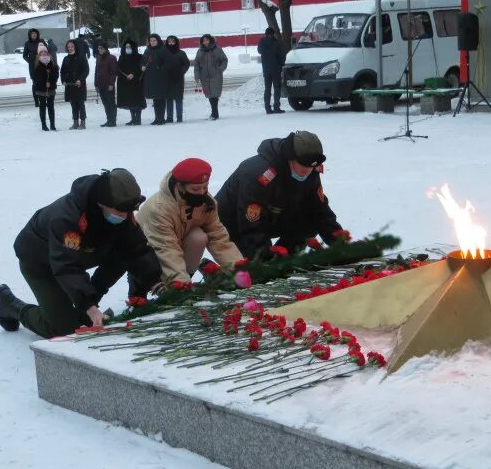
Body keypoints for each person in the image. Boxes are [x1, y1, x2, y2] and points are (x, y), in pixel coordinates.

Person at [0, 169, 163, 338]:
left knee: (122, 253)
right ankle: (10, 304)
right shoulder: (67, 218)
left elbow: (137, 249)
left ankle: (85, 309)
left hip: (79, 255)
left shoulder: (120, 210)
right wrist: (88, 305)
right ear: (101, 203)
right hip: (41, 262)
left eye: (128, 211)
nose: (125, 216)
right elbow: (66, 265)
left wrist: (157, 282)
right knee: (63, 329)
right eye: (120, 211)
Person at [215, 131, 346, 260]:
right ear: (290, 157)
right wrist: (265, 259)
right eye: (302, 168)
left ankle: (284, 260)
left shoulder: (309, 170)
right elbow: (251, 224)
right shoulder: (259, 174)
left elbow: (319, 208)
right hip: (233, 224)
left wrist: (339, 241)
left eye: (311, 168)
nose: (307, 172)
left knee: (310, 219)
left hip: (273, 214)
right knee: (252, 265)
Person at [137, 158, 245, 285]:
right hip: (146, 249)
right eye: (195, 189)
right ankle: (165, 284)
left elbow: (218, 237)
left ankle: (185, 279)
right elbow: (166, 249)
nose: (202, 193)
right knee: (144, 282)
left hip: (176, 241)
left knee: (198, 237)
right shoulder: (159, 209)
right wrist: (180, 284)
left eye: (205, 187)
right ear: (180, 186)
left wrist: (238, 269)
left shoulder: (206, 203)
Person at [194, 33, 228, 120]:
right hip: (204, 77)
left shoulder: (217, 49)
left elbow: (224, 60)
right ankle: (214, 113)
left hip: (216, 76)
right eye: (203, 40)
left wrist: (220, 69)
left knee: (214, 94)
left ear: (210, 40)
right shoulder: (200, 51)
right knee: (209, 94)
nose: (205, 42)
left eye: (207, 40)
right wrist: (197, 76)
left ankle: (214, 114)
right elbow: (196, 64)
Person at [116, 38, 147, 126]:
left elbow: (140, 68)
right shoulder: (122, 57)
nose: (128, 48)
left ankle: (138, 119)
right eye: (126, 47)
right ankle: (133, 118)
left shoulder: (139, 57)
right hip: (126, 82)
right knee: (130, 101)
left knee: (137, 101)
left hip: (137, 82)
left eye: (129, 47)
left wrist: (133, 74)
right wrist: (125, 75)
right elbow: (119, 68)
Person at [60, 39, 90, 129]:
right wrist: (63, 80)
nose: (70, 48)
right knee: (73, 104)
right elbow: (62, 71)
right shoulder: (66, 59)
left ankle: (83, 122)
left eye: (72, 46)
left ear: (75, 47)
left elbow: (86, 70)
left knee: (80, 104)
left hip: (79, 84)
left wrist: (80, 79)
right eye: (69, 47)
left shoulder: (81, 57)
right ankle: (75, 122)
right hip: (70, 85)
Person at [141, 33, 169, 125]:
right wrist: (142, 66)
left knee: (161, 98)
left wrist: (160, 68)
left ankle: (161, 118)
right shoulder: (147, 50)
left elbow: (168, 63)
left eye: (154, 40)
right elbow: (143, 61)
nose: (152, 42)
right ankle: (157, 118)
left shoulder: (163, 50)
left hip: (160, 78)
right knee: (155, 99)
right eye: (151, 41)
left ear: (158, 41)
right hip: (150, 77)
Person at [257, 27, 286, 114]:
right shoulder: (277, 43)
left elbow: (259, 51)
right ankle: (276, 107)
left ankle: (267, 108)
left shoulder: (262, 42)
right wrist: (281, 65)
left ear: (266, 34)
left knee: (267, 89)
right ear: (273, 34)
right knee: (277, 88)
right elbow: (282, 56)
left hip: (266, 69)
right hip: (276, 69)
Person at [33, 43, 59, 131]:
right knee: (42, 107)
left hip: (51, 88)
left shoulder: (52, 62)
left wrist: (51, 83)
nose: (43, 53)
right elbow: (35, 77)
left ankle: (52, 124)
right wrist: (43, 83)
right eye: (41, 52)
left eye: (45, 51)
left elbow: (55, 74)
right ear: (39, 54)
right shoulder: (36, 63)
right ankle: (44, 125)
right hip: (41, 89)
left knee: (51, 106)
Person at [164, 35, 190, 123]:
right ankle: (169, 118)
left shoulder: (181, 53)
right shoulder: (164, 53)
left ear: (176, 42)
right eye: (169, 42)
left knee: (178, 99)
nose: (171, 43)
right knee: (169, 99)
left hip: (178, 79)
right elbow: (160, 64)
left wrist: (181, 72)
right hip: (167, 79)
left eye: (173, 41)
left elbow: (186, 64)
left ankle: (179, 117)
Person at [94, 40, 118, 127]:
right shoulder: (98, 58)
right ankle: (109, 120)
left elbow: (113, 72)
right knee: (105, 103)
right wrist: (96, 84)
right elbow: (96, 72)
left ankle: (113, 121)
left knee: (111, 103)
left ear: (105, 49)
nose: (99, 50)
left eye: (101, 48)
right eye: (98, 48)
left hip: (108, 85)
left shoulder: (112, 58)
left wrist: (111, 84)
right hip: (100, 84)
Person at [23, 28, 47, 107]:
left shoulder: (41, 42)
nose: (34, 35)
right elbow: (24, 55)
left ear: (37, 34)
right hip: (33, 66)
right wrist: (30, 61)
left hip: (42, 65)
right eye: (32, 34)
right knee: (35, 83)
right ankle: (36, 101)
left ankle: (43, 101)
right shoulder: (27, 43)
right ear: (30, 35)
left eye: (35, 33)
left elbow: (47, 51)